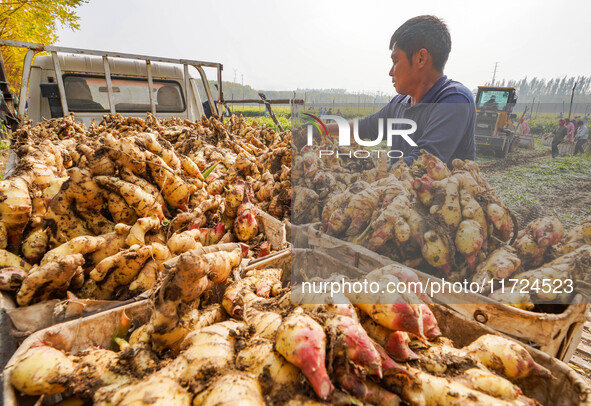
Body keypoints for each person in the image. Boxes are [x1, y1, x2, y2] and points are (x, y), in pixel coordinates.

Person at [325, 15, 476, 167]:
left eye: (395, 61)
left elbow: (424, 162)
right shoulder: (400, 103)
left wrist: (368, 178)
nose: (391, 72)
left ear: (420, 59)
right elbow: (365, 127)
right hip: (399, 189)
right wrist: (322, 129)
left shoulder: (454, 100)